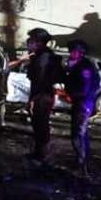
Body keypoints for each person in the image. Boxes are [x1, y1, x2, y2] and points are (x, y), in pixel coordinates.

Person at [25, 28, 63, 165]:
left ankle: (43, 156)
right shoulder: (41, 55)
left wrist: (33, 99)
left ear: (39, 42)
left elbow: (40, 81)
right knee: (38, 124)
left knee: (41, 124)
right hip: (42, 95)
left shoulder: (44, 58)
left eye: (31, 41)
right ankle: (39, 153)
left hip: (42, 95)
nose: (28, 43)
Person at [64, 39, 100, 176]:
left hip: (83, 103)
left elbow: (84, 87)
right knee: (80, 133)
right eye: (71, 51)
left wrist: (71, 93)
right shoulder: (78, 65)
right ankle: (82, 161)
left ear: (81, 53)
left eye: (74, 51)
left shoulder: (84, 67)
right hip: (80, 102)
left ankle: (82, 165)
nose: (71, 54)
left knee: (78, 133)